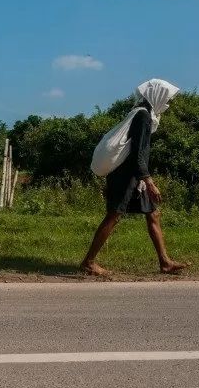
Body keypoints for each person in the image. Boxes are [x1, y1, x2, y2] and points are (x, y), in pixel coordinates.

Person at [81, 79, 188, 276]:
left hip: (135, 174)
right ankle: (88, 262)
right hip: (126, 175)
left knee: (153, 214)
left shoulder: (141, 114)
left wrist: (144, 178)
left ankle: (165, 262)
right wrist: (149, 181)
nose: (168, 103)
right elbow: (139, 152)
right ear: (157, 96)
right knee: (114, 215)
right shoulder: (143, 117)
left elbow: (139, 153)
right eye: (167, 98)